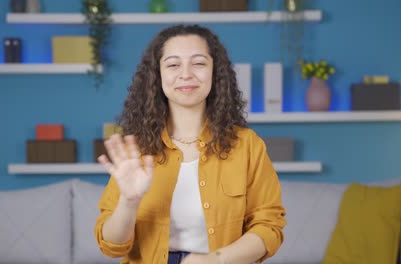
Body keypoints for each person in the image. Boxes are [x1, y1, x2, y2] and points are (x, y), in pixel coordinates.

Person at [95, 24, 286, 264]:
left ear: (215, 72)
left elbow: (269, 227)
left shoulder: (248, 145)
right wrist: (129, 201)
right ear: (158, 75)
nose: (186, 74)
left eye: (199, 63)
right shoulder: (137, 150)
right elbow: (111, 246)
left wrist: (217, 260)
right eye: (173, 64)